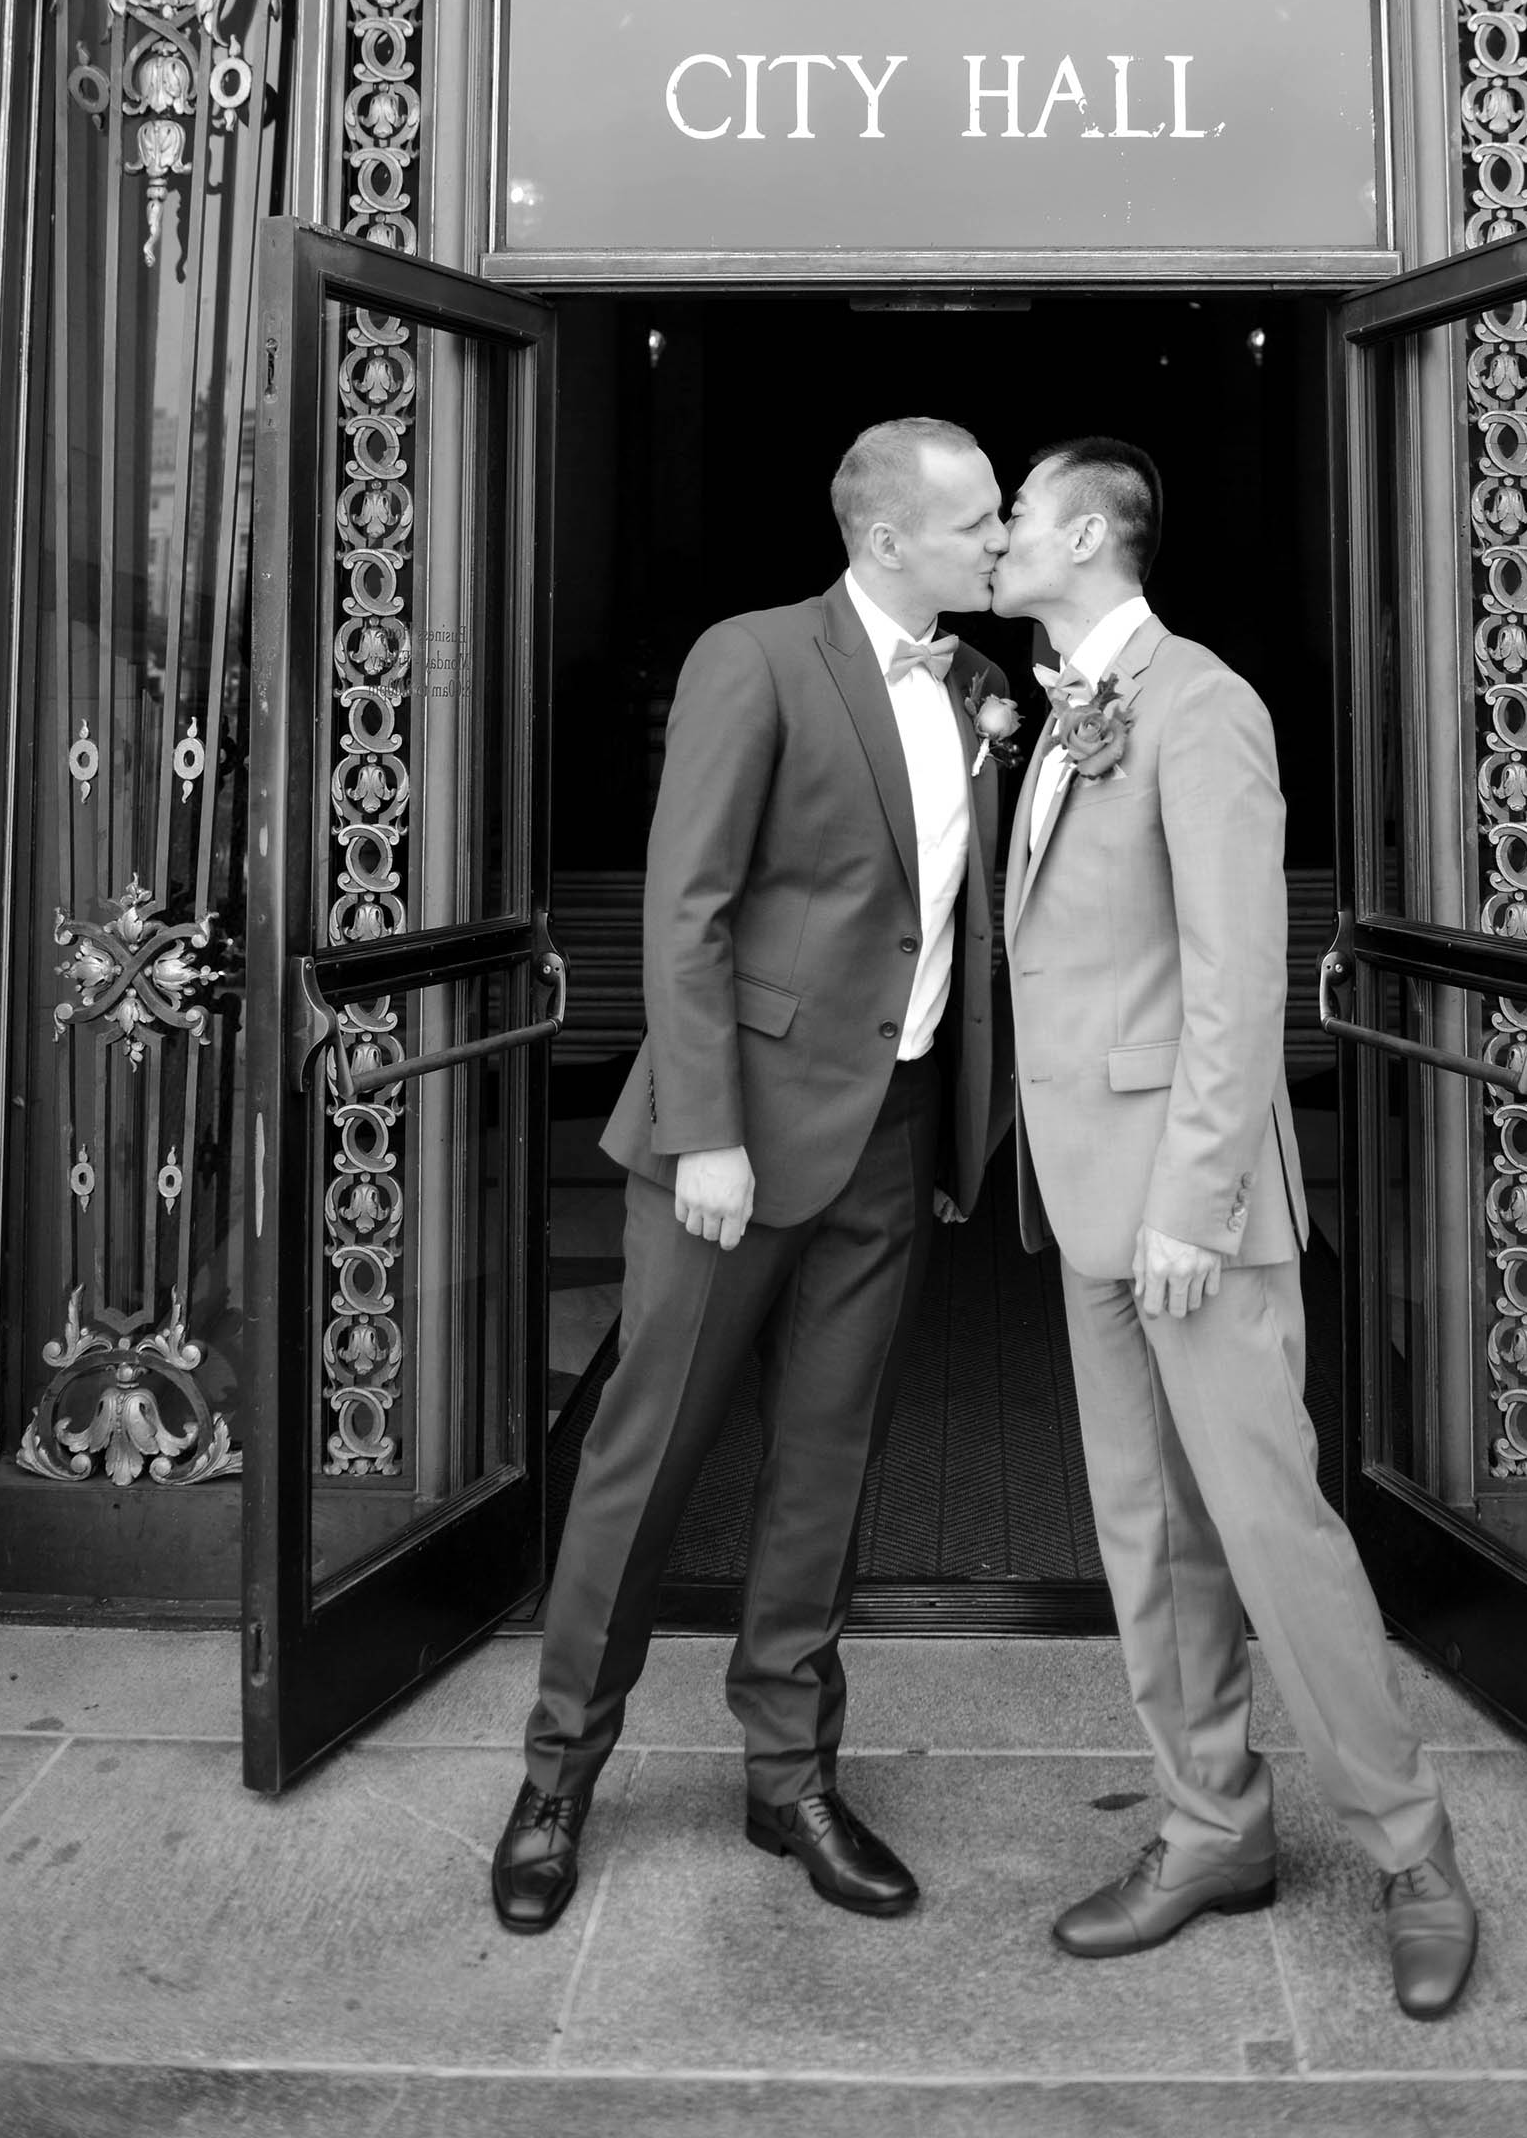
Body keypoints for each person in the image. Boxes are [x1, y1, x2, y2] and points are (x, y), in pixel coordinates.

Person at [490, 415, 1012, 1933]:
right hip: (739, 1139)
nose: (1000, 536)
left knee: (827, 1468)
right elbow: (689, 906)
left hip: (892, 1135)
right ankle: (555, 1779)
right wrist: (706, 1128)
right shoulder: (757, 656)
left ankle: (790, 1777)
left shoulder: (982, 687)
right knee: (642, 1461)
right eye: (978, 518)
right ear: (887, 537)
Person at [991, 435, 1479, 2019]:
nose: (997, 541)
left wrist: (1197, 1195)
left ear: (1084, 532)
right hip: (1085, 1196)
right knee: (1148, 1533)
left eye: (1013, 519)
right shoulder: (1058, 708)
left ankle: (1414, 1848)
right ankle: (1212, 1824)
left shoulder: (1198, 702)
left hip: (1191, 1206)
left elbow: (1234, 972)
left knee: (1272, 1531)